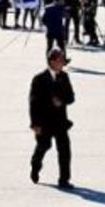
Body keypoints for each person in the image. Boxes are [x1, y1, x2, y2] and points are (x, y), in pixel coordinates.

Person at [29, 48, 75, 188]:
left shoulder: (64, 77)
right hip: (44, 122)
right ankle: (35, 166)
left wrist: (61, 101)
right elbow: (33, 103)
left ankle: (64, 179)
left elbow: (71, 97)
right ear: (52, 61)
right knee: (44, 146)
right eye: (61, 60)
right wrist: (35, 124)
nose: (63, 64)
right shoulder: (39, 79)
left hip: (60, 121)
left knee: (65, 150)